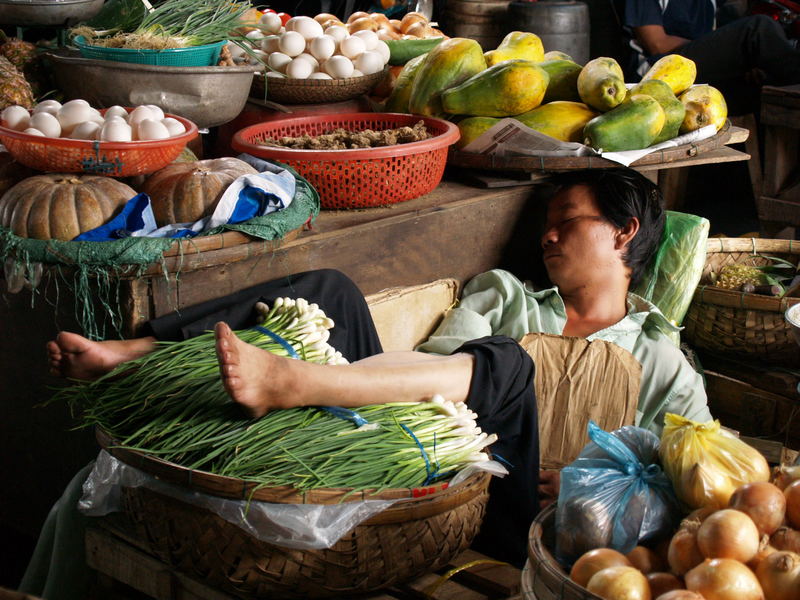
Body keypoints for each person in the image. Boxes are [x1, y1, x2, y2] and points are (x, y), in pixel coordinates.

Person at [40, 168, 711, 583]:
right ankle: (139, 351)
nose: (549, 236)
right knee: (329, 290)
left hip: (511, 512)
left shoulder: (660, 357)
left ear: (623, 233)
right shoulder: (507, 293)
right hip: (412, 445)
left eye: (567, 223)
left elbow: (700, 487)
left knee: (509, 363)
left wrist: (602, 485)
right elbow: (426, 376)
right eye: (547, 225)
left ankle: (295, 383)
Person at [623, 0, 800, 115]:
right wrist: (716, 47)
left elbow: (715, 44)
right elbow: (656, 44)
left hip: (699, 76)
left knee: (762, 86)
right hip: (655, 75)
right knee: (758, 28)